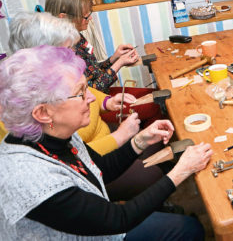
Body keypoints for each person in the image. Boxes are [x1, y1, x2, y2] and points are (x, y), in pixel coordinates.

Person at [0, 45, 213, 240]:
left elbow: (98, 168)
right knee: (188, 230)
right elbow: (117, 219)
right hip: (103, 232)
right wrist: (181, 171)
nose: (91, 99)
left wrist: (139, 141)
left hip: (99, 229)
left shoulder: (52, 134)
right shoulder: (30, 179)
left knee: (187, 227)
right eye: (80, 93)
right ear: (43, 112)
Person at [6, 11, 139, 155]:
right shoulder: (32, 108)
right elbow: (77, 156)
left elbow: (86, 90)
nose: (74, 56)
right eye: (68, 50)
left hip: (106, 134)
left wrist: (107, 101)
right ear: (40, 56)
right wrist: (120, 135)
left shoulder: (59, 78)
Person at [45, 0, 139, 94]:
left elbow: (92, 72)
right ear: (64, 17)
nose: (90, 18)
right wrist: (120, 63)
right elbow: (92, 90)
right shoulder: (63, 53)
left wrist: (114, 58)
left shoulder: (76, 37)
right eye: (85, 16)